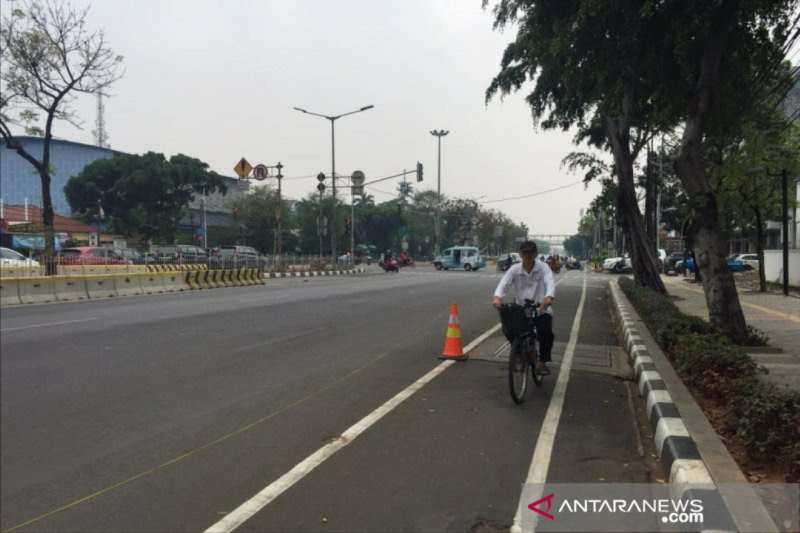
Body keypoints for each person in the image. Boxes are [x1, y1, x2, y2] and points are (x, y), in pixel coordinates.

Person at [492, 240, 556, 375]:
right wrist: (497, 297)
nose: (528, 255)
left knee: (546, 333)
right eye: (525, 252)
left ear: (536, 253)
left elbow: (550, 282)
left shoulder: (543, 267)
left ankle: (542, 363)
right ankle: (519, 352)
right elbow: (504, 283)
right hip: (521, 310)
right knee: (508, 328)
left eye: (531, 252)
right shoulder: (514, 269)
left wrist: (548, 297)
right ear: (520, 254)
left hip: (541, 308)